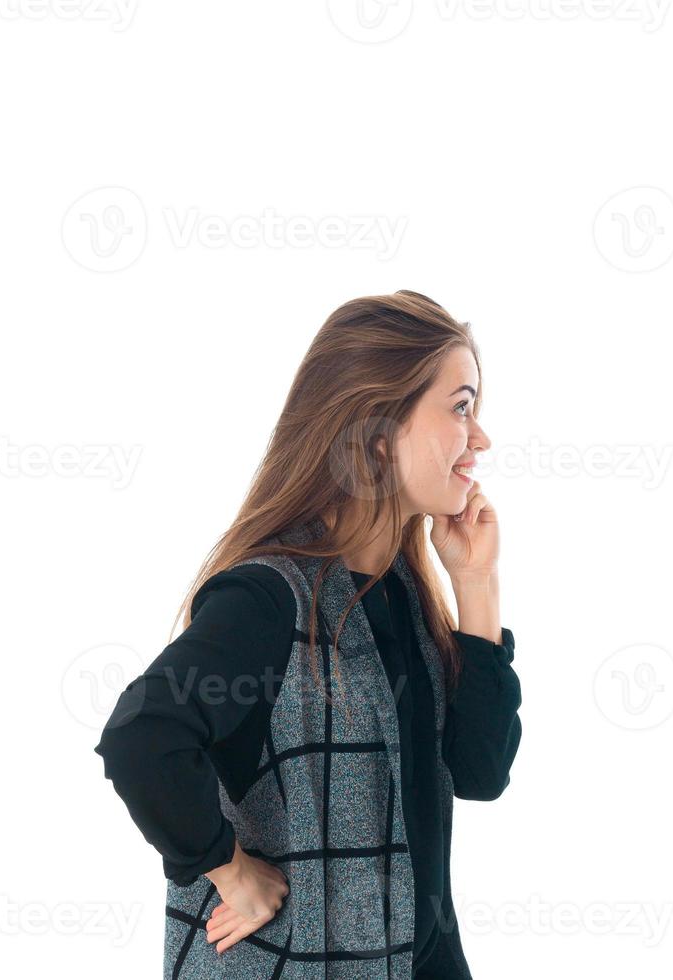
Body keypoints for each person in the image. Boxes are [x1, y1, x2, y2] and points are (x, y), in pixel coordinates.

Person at [94, 290, 522, 978]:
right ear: (376, 430)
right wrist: (230, 871)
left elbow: (479, 772)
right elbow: (143, 735)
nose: (481, 438)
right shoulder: (267, 598)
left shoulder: (402, 594)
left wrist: (477, 583)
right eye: (461, 406)